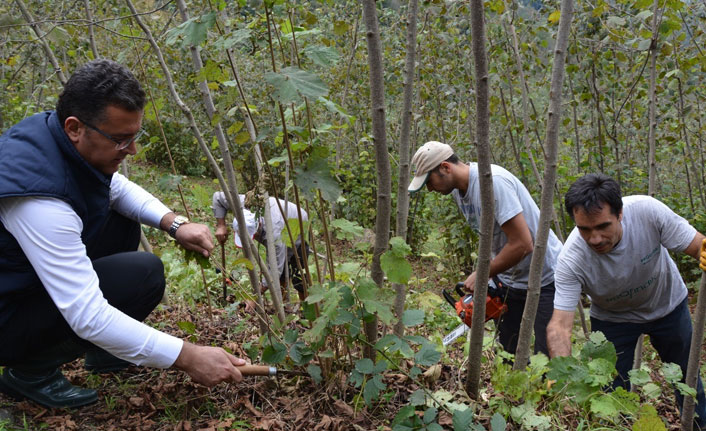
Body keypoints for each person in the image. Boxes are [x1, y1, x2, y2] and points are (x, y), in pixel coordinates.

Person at [0, 59, 247, 409]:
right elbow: (88, 314)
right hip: (7, 315)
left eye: (135, 136)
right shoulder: (39, 201)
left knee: (124, 223)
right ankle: (29, 373)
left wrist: (175, 224)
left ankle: (105, 352)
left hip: (21, 280)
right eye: (120, 139)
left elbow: (115, 188)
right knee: (141, 275)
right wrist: (188, 356)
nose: (132, 150)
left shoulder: (55, 137)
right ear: (75, 128)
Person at [546, 173, 706, 429]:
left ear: (620, 214)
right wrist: (559, 374)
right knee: (610, 391)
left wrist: (704, 251)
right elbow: (560, 326)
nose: (594, 239)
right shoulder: (571, 259)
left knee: (688, 381)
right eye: (584, 229)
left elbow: (697, 244)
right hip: (612, 320)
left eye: (602, 227)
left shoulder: (647, 212)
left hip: (668, 305)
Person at [408, 141, 562, 355]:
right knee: (509, 351)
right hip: (510, 278)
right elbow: (492, 236)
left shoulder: (492, 182)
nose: (430, 188)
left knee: (548, 355)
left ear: (445, 167)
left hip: (545, 276)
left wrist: (483, 273)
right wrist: (491, 278)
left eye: (429, 181)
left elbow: (523, 243)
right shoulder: (458, 192)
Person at [212, 191, 309, 295]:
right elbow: (218, 197)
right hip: (278, 216)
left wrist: (255, 296)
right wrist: (221, 225)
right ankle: (284, 304)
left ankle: (302, 305)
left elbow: (274, 271)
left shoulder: (274, 235)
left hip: (298, 223)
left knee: (297, 272)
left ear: (258, 229)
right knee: (282, 269)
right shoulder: (243, 203)